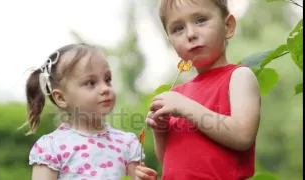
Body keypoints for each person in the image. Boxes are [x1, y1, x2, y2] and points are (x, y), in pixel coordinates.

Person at [146, 0, 261, 179]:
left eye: (200, 20)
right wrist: (160, 132)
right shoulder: (176, 95)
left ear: (228, 26)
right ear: (171, 44)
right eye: (178, 29)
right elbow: (169, 162)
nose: (190, 34)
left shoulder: (238, 77)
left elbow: (243, 136)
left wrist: (185, 108)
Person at [21, 43, 157, 180]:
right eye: (91, 83)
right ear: (61, 98)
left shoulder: (127, 144)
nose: (105, 88)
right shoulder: (51, 147)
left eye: (108, 79)